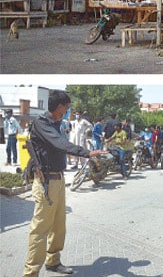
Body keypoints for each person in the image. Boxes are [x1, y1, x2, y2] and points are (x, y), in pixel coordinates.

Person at [23, 90, 107, 276]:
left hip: (58, 180)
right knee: (40, 229)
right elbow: (59, 143)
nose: (68, 111)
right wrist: (86, 153)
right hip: (46, 182)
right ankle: (30, 272)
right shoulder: (42, 124)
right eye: (67, 107)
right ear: (60, 106)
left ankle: (53, 262)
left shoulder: (56, 123)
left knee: (58, 226)